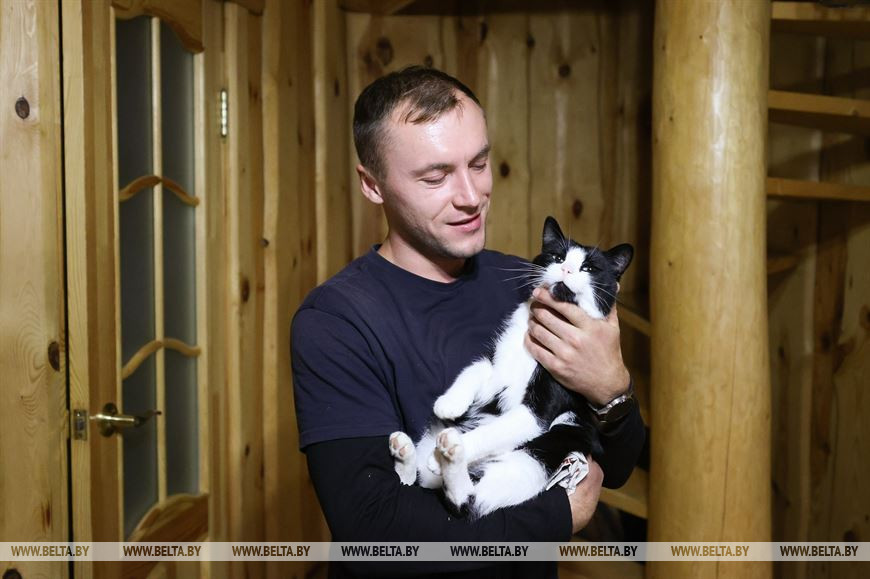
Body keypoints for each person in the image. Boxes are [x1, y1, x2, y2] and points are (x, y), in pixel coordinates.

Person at [291, 66, 645, 578]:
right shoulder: (336, 321)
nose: (471, 195)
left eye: (479, 164)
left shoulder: (530, 286)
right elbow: (374, 529)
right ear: (373, 185)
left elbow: (619, 464)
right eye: (435, 177)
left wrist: (613, 389)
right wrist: (553, 517)